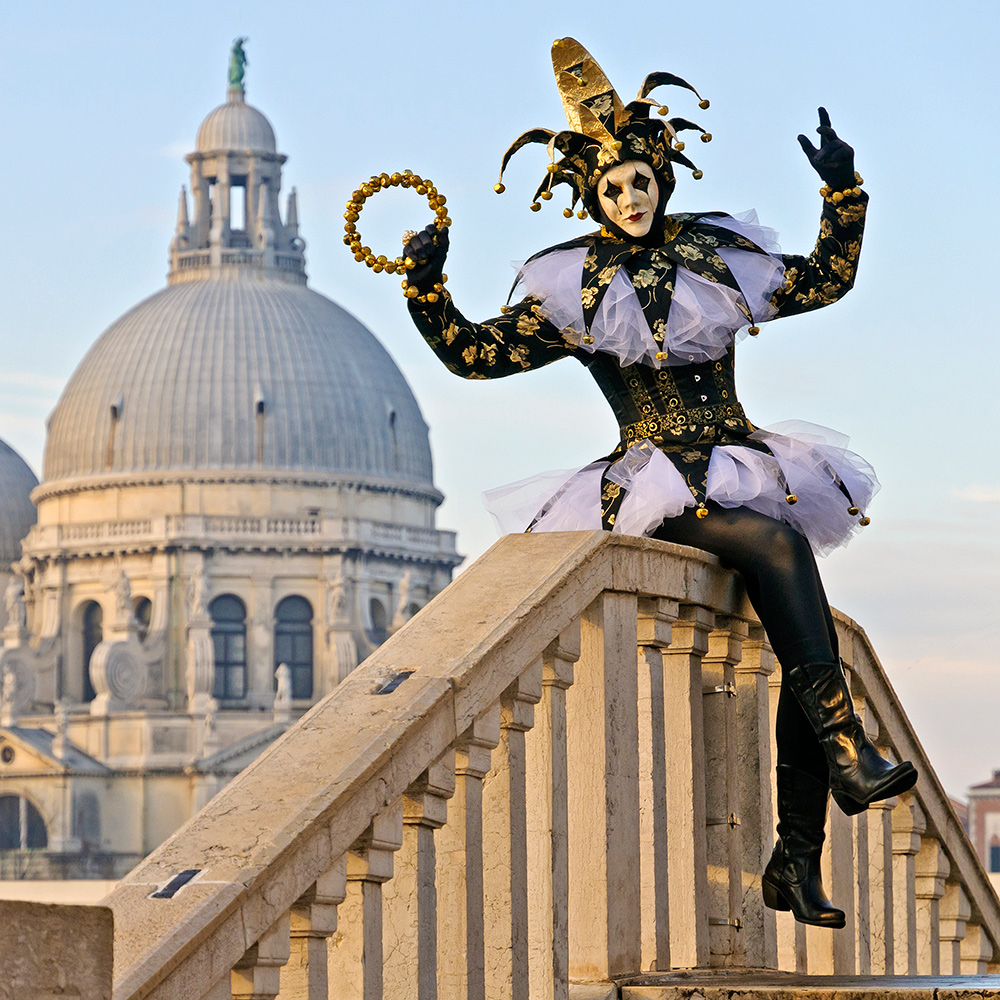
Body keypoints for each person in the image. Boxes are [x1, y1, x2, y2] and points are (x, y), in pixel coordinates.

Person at [399, 38, 916, 928]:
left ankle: (796, 858)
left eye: (639, 181)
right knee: (779, 545)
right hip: (653, 486)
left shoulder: (715, 255)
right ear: (590, 198)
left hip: (743, 465)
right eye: (611, 190)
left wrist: (843, 192)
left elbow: (827, 281)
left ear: (660, 179)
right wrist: (426, 284)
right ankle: (847, 754)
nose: (628, 199)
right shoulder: (578, 283)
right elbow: (474, 357)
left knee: (805, 636)